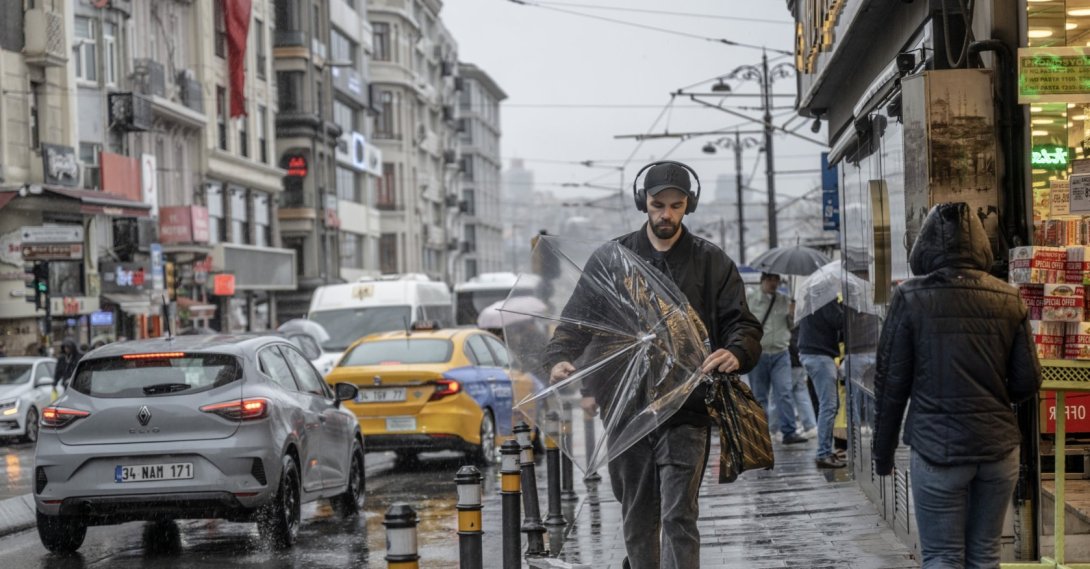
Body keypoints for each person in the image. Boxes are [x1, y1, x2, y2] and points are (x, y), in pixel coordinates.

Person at [544, 161, 763, 569]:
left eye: (676, 205)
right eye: (658, 204)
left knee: (680, 515)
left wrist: (737, 350)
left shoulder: (710, 261)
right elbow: (577, 319)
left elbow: (742, 323)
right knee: (637, 516)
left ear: (688, 205)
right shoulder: (612, 258)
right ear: (642, 202)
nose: (666, 214)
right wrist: (558, 357)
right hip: (626, 408)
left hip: (688, 407)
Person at [873, 202, 1041, 568]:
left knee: (943, 556)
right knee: (985, 553)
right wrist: (992, 396)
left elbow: (890, 384)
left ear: (925, 247)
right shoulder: (1009, 297)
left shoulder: (910, 298)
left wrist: (882, 455)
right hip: (998, 450)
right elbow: (1028, 380)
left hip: (937, 449)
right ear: (982, 246)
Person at [746, 273, 808, 445]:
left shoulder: (784, 300)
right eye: (770, 280)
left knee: (784, 392)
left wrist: (792, 314)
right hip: (759, 353)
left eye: (776, 280)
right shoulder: (751, 299)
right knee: (760, 396)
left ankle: (789, 431)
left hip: (781, 352)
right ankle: (762, 433)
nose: (774, 284)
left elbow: (792, 326)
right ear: (763, 281)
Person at [797, 293, 846, 469]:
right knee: (829, 405)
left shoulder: (811, 297)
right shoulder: (826, 298)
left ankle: (826, 450)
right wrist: (847, 308)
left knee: (831, 404)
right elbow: (839, 321)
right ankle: (823, 453)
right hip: (820, 356)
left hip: (812, 353)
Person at [787, 312, 818, 439]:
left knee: (780, 395)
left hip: (792, 364)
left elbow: (794, 345)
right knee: (801, 393)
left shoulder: (794, 328)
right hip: (798, 363)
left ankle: (776, 428)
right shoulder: (801, 325)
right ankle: (810, 425)